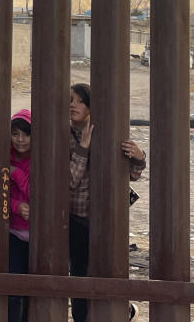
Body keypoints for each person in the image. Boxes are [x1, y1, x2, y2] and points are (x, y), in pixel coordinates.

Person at [69, 83, 145, 322]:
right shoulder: (63, 136)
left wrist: (139, 157)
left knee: (110, 271)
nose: (73, 105)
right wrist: (83, 147)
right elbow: (69, 180)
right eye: (70, 100)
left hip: (107, 220)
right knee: (79, 275)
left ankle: (122, 312)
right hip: (76, 218)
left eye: (80, 101)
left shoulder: (107, 133)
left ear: (91, 107)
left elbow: (132, 175)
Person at [8, 109, 32, 322]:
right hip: (14, 233)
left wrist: (14, 172)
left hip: (39, 237)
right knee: (14, 291)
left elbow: (34, 192)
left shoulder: (40, 158)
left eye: (26, 134)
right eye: (15, 134)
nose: (21, 140)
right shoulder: (5, 154)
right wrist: (16, 207)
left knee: (35, 293)